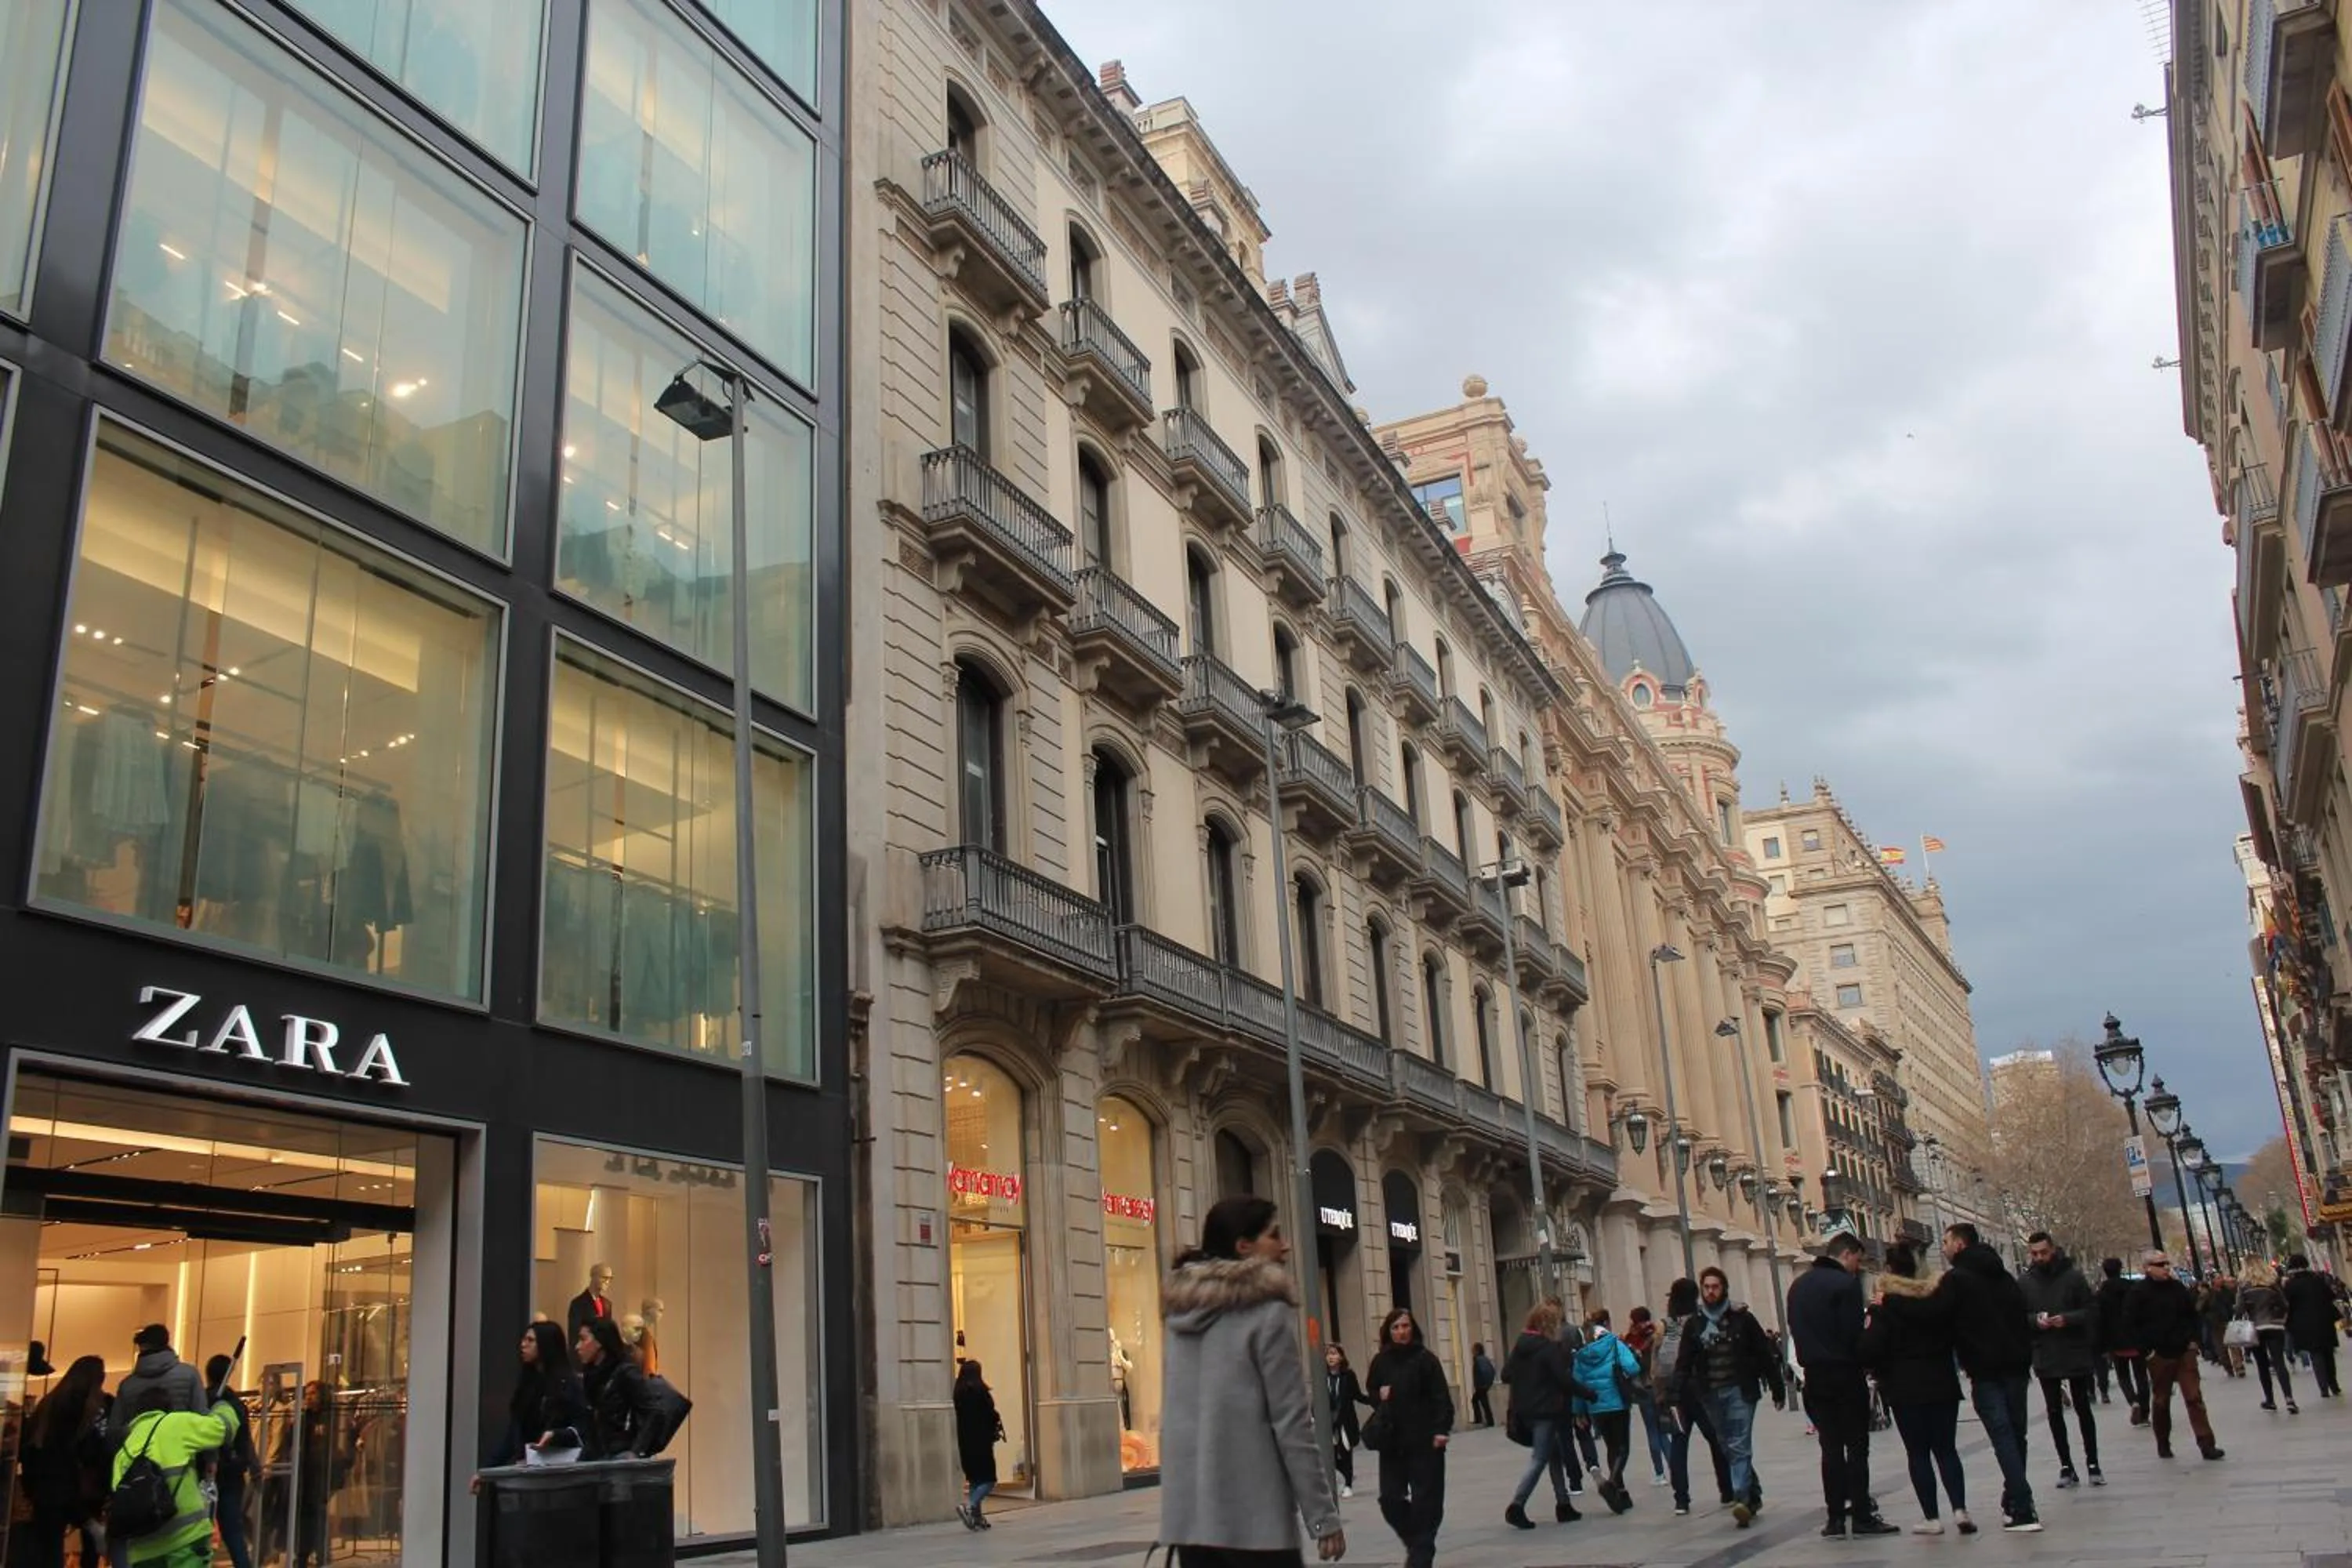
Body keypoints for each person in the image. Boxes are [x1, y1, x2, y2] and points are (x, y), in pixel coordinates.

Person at [1157, 1196, 1345, 1566]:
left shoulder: (1181, 1315)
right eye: (1274, 1235)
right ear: (1244, 1246)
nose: (1285, 1245)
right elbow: (1292, 1424)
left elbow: (1176, 1421)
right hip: (1257, 1525)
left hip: (1194, 1526)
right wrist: (1323, 1518)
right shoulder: (1266, 1314)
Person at [1787, 1233, 1894, 1539]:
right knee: (1857, 1447)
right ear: (1846, 1254)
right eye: (1857, 1260)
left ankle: (1835, 1519)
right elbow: (1853, 1336)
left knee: (1830, 1448)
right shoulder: (1845, 1285)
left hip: (1814, 1377)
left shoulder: (1798, 1286)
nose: (1857, 1267)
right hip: (1845, 1374)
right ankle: (1861, 1515)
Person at [1936, 1223, 2042, 1532]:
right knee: (2016, 1435)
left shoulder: (1955, 1280)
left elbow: (1944, 1324)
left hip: (1985, 1370)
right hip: (2016, 1366)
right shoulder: (2005, 1277)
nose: (1943, 1247)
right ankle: (2014, 1500)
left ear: (1960, 1244)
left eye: (1946, 1241)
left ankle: (2023, 1507)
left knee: (2003, 1436)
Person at [1864, 1241, 1972, 1537]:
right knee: (1947, 1450)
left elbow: (1871, 1348)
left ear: (1889, 1270)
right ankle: (1960, 1510)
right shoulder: (1940, 1298)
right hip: (1942, 1382)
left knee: (1918, 1453)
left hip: (1905, 1388)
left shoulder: (1886, 1307)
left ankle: (1932, 1518)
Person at [1670, 1265, 1784, 1530]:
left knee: (1739, 1443)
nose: (1711, 1291)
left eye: (1715, 1287)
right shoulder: (1696, 1324)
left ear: (1724, 1289)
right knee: (1726, 1444)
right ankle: (1753, 1492)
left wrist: (1777, 1388)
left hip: (1740, 1390)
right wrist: (1674, 1394)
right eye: (1706, 1287)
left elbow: (1764, 1355)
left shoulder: (1742, 1319)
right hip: (1710, 1393)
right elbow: (1684, 1361)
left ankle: (1741, 1498)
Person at [110, 1385, 245, 1568]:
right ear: (168, 1408)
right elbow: (223, 1429)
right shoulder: (175, 1424)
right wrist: (221, 1405)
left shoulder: (124, 1450)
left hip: (143, 1549)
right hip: (185, 1538)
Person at [1364, 1307, 1451, 1568]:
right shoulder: (1381, 1361)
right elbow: (1371, 1392)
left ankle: (1420, 1557)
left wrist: (1441, 1430)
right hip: (1392, 1443)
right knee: (1390, 1499)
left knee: (1427, 1502)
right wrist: (1379, 1395)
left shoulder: (1426, 1360)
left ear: (1412, 1328)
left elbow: (1441, 1399)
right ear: (1388, 1332)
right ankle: (1419, 1544)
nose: (1401, 1332)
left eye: (1405, 1326)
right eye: (1396, 1327)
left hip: (1425, 1442)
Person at [2018, 1231, 2103, 1490]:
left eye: (2043, 1252)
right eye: (2034, 1253)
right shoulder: (2025, 1282)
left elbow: (2091, 1311)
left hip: (2074, 1348)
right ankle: (2066, 1465)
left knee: (2083, 1407)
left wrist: (2068, 1319)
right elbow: (2019, 1317)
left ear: (2053, 1250)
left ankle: (2093, 1463)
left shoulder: (2073, 1277)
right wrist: (2036, 1321)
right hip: (2045, 1351)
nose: (2039, 1258)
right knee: (2054, 1411)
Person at [2122, 1249, 2224, 1461]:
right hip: (2159, 1354)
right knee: (2161, 1400)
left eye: (2167, 1263)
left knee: (2194, 1397)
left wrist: (2194, 1341)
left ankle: (2207, 1444)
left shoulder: (2177, 1288)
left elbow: (2192, 1315)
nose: (2166, 1268)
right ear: (2147, 1268)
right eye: (2160, 1265)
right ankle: (2163, 1441)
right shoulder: (2138, 1293)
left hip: (2184, 1350)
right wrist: (2147, 1351)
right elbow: (2130, 1324)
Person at [1652, 1278, 1737, 1518]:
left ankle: (1681, 1499)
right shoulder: (1701, 1321)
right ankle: (1727, 1490)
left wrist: (1661, 1393)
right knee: (1716, 1438)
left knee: (1679, 1442)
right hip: (1702, 1390)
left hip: (1676, 1393)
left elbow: (1659, 1367)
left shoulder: (1666, 1326)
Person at [19, 1353, 109, 1568]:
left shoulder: (48, 1405)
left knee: (49, 1552)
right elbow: (97, 1451)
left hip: (47, 1491)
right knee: (91, 1546)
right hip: (82, 1490)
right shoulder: (95, 1409)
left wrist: (30, 1489)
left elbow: (29, 1450)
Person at [1499, 1301, 1581, 1530]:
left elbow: (1506, 1374)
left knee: (1554, 1453)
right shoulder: (1548, 1347)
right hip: (1544, 1410)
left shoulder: (1521, 1345)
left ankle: (1563, 1504)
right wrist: (1589, 1394)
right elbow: (1563, 1379)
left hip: (1524, 1411)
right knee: (1539, 1458)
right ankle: (1516, 1506)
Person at [481, 1322, 590, 1472]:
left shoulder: (568, 1384)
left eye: (531, 1340)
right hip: (528, 1467)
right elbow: (512, 1435)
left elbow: (583, 1427)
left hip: (561, 1469)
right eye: (524, 1339)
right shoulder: (527, 1385)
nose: (523, 1345)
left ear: (546, 1344)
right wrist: (486, 1470)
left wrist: (557, 1436)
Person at [1570, 1308, 1642, 1515]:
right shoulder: (1613, 1343)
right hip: (1617, 1402)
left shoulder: (1582, 1352)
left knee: (1611, 1446)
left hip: (1595, 1407)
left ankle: (1620, 1491)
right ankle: (1612, 1482)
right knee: (1622, 1448)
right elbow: (1632, 1367)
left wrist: (1579, 1412)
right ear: (1607, 1324)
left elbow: (1577, 1383)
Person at [572, 1318, 668, 1460]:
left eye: (583, 1339)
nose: (577, 1347)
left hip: (620, 1452)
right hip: (596, 1453)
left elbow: (654, 1412)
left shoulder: (625, 1373)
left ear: (599, 1342)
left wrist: (636, 1451)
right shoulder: (591, 1375)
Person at [201, 1354, 259, 1568]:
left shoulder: (202, 1401)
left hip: (206, 1473)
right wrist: (251, 1464)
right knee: (233, 1531)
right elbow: (245, 1441)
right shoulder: (236, 1404)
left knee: (200, 1531)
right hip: (232, 1474)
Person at [107, 1326, 204, 1446]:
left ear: (142, 1347)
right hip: (181, 1450)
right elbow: (202, 1419)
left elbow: (114, 1432)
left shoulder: (127, 1385)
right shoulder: (189, 1374)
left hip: (139, 1451)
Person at [2094, 1256, 2149, 1425]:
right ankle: (2145, 1412)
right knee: (2141, 1376)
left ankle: (2133, 1401)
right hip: (2137, 1338)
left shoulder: (2101, 1294)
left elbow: (2099, 1321)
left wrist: (2101, 1344)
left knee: (2123, 1375)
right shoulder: (2134, 1288)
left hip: (2115, 1341)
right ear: (2121, 1269)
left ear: (2105, 1272)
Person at [2235, 1261, 2296, 1413]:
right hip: (2274, 1326)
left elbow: (2240, 1309)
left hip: (2256, 1328)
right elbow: (2284, 1305)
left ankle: (2270, 1400)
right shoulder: (2272, 1284)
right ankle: (2289, 1399)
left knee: (2262, 1366)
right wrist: (2280, 1318)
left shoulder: (2244, 1286)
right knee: (2279, 1363)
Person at [2281, 1253, 2343, 1398]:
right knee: (2328, 1353)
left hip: (2304, 1325)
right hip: (2324, 1321)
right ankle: (2334, 1384)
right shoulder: (2317, 1280)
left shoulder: (2291, 1285)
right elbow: (2331, 1296)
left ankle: (2323, 1388)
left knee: (2316, 1354)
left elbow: (2286, 1305)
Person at [1621, 1307, 1670, 1487]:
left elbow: (1630, 1366)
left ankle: (1659, 1473)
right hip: (1659, 1386)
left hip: (1643, 1389)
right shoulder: (1658, 1335)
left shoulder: (1631, 1340)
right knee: (1664, 1430)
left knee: (1652, 1430)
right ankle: (1674, 1466)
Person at [952, 1360, 1001, 1530]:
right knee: (989, 1480)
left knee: (975, 1480)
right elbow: (990, 1415)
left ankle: (977, 1517)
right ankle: (970, 1506)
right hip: (981, 1442)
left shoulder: (958, 1394)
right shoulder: (980, 1392)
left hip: (965, 1442)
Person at [1323, 1345, 1372, 1499]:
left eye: (1334, 1354)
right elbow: (1317, 1400)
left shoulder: (1348, 1375)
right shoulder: (1323, 1376)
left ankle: (1348, 1485)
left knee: (1345, 1453)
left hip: (1345, 1421)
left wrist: (1374, 1401)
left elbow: (1357, 1395)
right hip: (1329, 1423)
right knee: (1329, 1455)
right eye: (1328, 1354)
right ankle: (1346, 1474)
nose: (1331, 1357)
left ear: (1341, 1357)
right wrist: (1313, 1415)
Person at [566, 1263, 615, 1347]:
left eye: (610, 1279)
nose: (607, 1282)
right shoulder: (578, 1303)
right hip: (585, 1350)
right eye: (604, 1278)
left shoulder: (607, 1304)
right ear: (593, 1277)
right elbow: (574, 1336)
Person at [1468, 1343, 1496, 1428]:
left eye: (1473, 1350)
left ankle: (1481, 1420)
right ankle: (1489, 1420)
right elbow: (1492, 1371)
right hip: (1484, 1385)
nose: (1472, 1351)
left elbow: (1481, 1373)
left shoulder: (1478, 1360)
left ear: (1477, 1351)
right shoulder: (1485, 1359)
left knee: (1476, 1401)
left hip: (1481, 1386)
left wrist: (1481, 1384)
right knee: (1483, 1402)